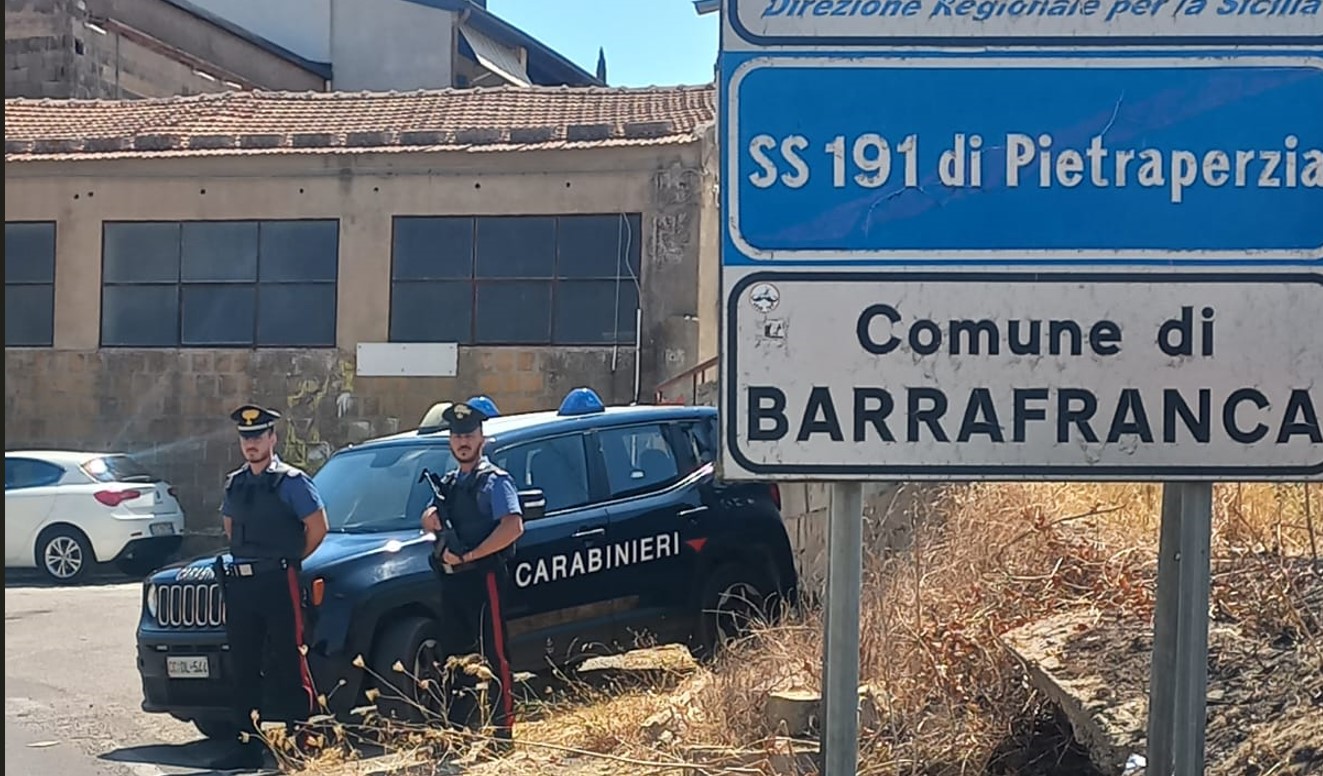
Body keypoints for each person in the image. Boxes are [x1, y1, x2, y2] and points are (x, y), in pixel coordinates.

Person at [212, 404, 329, 771]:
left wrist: (289, 560)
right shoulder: (236, 483)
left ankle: (301, 738)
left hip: (279, 581)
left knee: (289, 657)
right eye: (246, 437)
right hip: (243, 585)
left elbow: (317, 527)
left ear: (272, 438)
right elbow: (232, 528)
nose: (251, 443)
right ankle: (248, 742)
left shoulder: (292, 481)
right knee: (244, 663)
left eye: (258, 435)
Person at [420, 399, 524, 750]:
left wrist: (472, 555)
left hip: (485, 578)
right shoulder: (449, 483)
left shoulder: (495, 481)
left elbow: (513, 526)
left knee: (494, 655)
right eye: (457, 435)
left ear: (481, 437)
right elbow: (431, 522)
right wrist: (430, 522)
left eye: (469, 434)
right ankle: (460, 733)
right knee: (455, 659)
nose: (462, 441)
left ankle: (502, 734)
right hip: (454, 581)